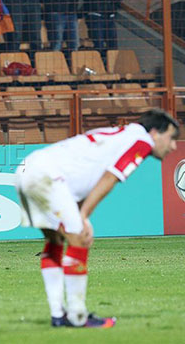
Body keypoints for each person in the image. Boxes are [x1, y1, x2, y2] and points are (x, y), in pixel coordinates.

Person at [16, 109, 179, 328]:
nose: (173, 146)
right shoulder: (142, 141)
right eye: (171, 138)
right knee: (79, 240)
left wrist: (81, 215)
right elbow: (110, 177)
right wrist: (83, 216)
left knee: (55, 241)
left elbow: (85, 179)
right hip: (48, 176)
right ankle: (77, 316)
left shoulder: (124, 135)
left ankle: (59, 315)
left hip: (28, 169)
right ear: (155, 133)